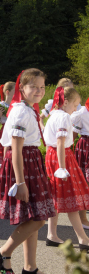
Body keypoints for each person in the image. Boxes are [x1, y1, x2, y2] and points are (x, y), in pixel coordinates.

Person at [0, 69, 56, 274]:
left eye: (42, 87)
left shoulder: (28, 108)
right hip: (23, 163)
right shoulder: (21, 110)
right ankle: (3, 252)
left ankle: (30, 267)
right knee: (38, 219)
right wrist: (19, 182)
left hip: (31, 161)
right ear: (22, 88)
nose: (39, 90)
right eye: (34, 86)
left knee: (33, 217)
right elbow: (15, 149)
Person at [44, 87, 89, 250]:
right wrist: (62, 167)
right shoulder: (63, 117)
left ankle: (51, 234)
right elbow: (61, 142)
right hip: (61, 157)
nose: (76, 109)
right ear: (67, 102)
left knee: (57, 196)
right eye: (75, 104)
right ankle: (83, 239)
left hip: (52, 155)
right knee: (72, 198)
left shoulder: (53, 115)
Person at [71, 97, 89, 230]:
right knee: (84, 183)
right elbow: (72, 136)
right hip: (86, 147)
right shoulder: (82, 113)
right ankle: (83, 218)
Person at [0, 82, 15, 164]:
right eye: (15, 92)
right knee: (5, 151)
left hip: (16, 131)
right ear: (7, 92)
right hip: (5, 131)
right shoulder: (1, 105)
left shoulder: (17, 105)